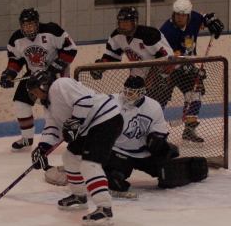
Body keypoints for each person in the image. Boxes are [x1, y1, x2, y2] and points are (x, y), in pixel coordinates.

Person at [45, 75, 208, 191]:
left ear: (142, 92)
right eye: (126, 91)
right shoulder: (112, 102)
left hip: (143, 154)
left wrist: (158, 143)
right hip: (118, 153)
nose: (128, 95)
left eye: (133, 92)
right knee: (114, 181)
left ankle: (193, 167)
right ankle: (104, 175)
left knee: (168, 175)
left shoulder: (154, 106)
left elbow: (159, 133)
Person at [27, 70, 124, 226]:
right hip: (89, 127)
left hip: (106, 119)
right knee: (70, 157)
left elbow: (84, 101)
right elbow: (53, 128)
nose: (35, 95)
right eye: (33, 93)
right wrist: (42, 148)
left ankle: (104, 208)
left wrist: (75, 121)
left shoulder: (60, 84)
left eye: (36, 90)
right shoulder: (48, 106)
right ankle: (79, 196)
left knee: (89, 164)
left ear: (44, 85)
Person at [0, 8, 77, 152]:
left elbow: (71, 49)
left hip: (56, 75)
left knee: (56, 108)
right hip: (33, 74)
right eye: (25, 25)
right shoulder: (16, 39)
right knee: (21, 102)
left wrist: (53, 68)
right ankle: (27, 138)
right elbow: (15, 59)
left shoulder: (52, 30)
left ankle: (73, 135)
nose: (28, 28)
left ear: (37, 23)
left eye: (31, 24)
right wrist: (9, 74)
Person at [158, 0, 224, 143]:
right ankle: (155, 132)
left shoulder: (193, 18)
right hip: (167, 69)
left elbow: (205, 17)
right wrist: (189, 68)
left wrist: (212, 20)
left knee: (195, 94)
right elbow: (169, 58)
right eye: (177, 14)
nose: (179, 17)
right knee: (160, 101)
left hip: (188, 66)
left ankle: (189, 129)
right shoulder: (167, 31)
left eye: (183, 15)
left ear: (188, 15)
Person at [91, 6, 173, 80]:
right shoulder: (116, 36)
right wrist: (101, 66)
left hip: (156, 74)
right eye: (121, 22)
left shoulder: (149, 35)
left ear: (135, 21)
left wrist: (163, 74)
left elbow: (168, 57)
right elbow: (112, 56)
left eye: (126, 22)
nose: (123, 26)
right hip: (136, 74)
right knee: (130, 93)